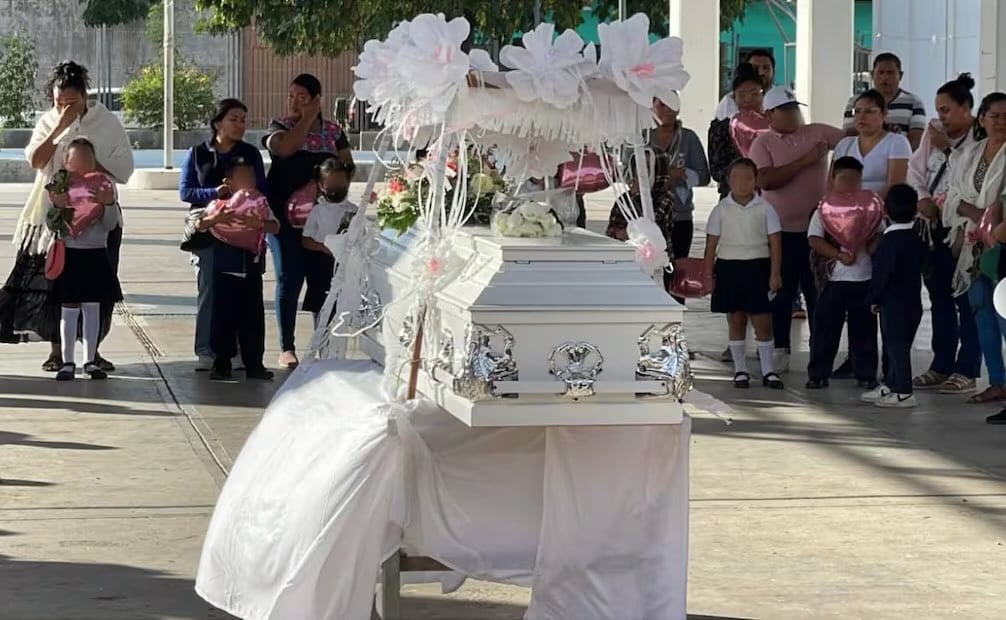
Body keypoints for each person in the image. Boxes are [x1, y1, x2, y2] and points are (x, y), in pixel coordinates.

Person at [0, 61, 133, 372]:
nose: (65, 107)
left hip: (99, 219)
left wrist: (89, 165)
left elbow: (125, 169)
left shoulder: (106, 122)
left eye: (71, 103)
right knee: (56, 287)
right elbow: (35, 160)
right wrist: (60, 126)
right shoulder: (49, 121)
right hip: (54, 221)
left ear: (85, 96)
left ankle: (92, 351)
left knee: (97, 289)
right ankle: (58, 350)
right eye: (59, 102)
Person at [749, 86, 845, 372]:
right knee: (781, 292)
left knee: (818, 292)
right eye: (787, 110)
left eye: (796, 108)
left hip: (818, 230)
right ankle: (781, 348)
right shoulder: (762, 143)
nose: (794, 114)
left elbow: (853, 141)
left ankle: (821, 352)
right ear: (770, 114)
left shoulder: (817, 132)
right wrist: (806, 160)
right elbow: (766, 180)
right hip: (780, 233)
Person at [263, 73, 355, 369]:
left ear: (317, 99)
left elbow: (347, 165)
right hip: (284, 220)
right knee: (290, 278)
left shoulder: (333, 131)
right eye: (291, 96)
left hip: (322, 220)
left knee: (323, 279)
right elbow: (286, 148)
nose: (294, 101)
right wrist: (305, 117)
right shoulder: (279, 126)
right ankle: (286, 347)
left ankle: (323, 342)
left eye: (302, 97)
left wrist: (330, 188)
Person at [179, 98, 266, 371]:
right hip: (208, 223)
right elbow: (186, 192)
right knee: (209, 288)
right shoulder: (197, 154)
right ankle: (207, 349)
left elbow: (261, 187)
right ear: (218, 123)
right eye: (234, 119)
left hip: (242, 226)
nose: (240, 125)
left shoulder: (250, 154)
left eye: (243, 120)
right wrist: (214, 194)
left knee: (242, 291)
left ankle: (238, 351)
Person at [907, 73, 980, 394]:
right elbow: (915, 169)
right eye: (938, 110)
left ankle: (967, 369)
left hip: (967, 230)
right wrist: (922, 198)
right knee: (939, 298)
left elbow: (969, 177)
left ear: (966, 108)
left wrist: (947, 149)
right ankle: (941, 364)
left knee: (967, 299)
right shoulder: (932, 133)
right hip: (933, 225)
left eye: (947, 110)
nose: (941, 117)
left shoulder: (982, 136)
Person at [941, 92, 1006, 404]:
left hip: (1002, 246)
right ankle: (997, 381)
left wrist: (991, 221)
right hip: (973, 247)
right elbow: (951, 197)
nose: (1001, 122)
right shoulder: (966, 154)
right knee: (981, 313)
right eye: (995, 115)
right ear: (981, 119)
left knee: (1005, 316)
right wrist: (977, 216)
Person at [193, 158, 279, 381]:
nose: (248, 182)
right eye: (242, 178)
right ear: (229, 182)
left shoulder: (260, 204)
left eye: (250, 178)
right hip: (224, 271)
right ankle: (221, 362)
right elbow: (199, 224)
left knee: (252, 320)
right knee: (222, 319)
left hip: (251, 271)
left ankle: (254, 364)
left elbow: (275, 225)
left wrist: (258, 225)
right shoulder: (219, 205)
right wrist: (216, 218)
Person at [47, 139, 124, 381]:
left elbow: (111, 224)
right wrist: (58, 208)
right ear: (66, 162)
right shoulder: (59, 185)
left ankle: (90, 360)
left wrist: (107, 203)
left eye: (87, 159)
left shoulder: (103, 184)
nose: (82, 164)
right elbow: (51, 224)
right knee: (69, 308)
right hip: (69, 254)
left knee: (93, 307)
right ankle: (67, 361)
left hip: (95, 253)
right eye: (76, 159)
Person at [703, 158, 783, 389]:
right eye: (736, 177)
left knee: (762, 320)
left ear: (755, 181)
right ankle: (740, 369)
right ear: (728, 181)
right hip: (729, 267)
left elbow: (775, 243)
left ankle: (768, 370)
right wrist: (708, 275)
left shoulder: (766, 209)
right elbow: (711, 246)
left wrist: (775, 273)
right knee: (736, 319)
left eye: (748, 177)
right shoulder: (720, 210)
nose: (742, 183)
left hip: (758, 267)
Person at [805, 157, 883, 390]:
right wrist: (838, 254)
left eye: (855, 180)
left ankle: (866, 373)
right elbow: (814, 239)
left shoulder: (870, 205)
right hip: (833, 280)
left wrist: (871, 245)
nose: (850, 184)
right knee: (826, 330)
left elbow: (880, 232)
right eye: (845, 179)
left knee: (865, 331)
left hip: (864, 279)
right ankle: (818, 373)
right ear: (833, 180)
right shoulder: (824, 207)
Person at [864, 184, 925, 408]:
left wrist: (873, 297)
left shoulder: (888, 242)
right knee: (898, 345)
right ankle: (891, 383)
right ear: (916, 210)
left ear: (885, 212)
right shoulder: (916, 238)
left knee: (896, 347)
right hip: (912, 303)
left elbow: (881, 275)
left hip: (892, 303)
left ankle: (904, 391)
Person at [648, 92, 710, 266]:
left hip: (680, 216)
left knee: (678, 271)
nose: (667, 109)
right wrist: (665, 173)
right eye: (661, 104)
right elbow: (628, 174)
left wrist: (683, 174)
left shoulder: (688, 138)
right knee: (649, 270)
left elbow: (704, 176)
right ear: (650, 107)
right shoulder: (641, 138)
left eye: (672, 104)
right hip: (646, 215)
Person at [301, 158, 356, 328]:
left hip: (346, 265)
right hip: (322, 266)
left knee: (342, 309)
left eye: (340, 183)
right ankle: (320, 345)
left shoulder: (353, 211)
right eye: (331, 184)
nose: (336, 188)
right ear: (321, 185)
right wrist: (324, 248)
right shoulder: (318, 211)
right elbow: (306, 240)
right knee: (322, 308)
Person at [843, 53, 927, 150]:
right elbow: (849, 135)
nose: (885, 78)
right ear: (872, 75)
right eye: (880, 72)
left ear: (900, 75)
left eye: (890, 73)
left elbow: (916, 140)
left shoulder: (914, 102)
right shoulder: (855, 101)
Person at [708, 63, 767, 197]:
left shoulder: (773, 124)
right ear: (734, 97)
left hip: (768, 195)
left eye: (754, 94)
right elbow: (716, 169)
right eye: (742, 95)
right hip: (732, 196)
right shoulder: (721, 126)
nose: (748, 100)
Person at [715, 49, 776, 121]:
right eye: (755, 68)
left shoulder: (780, 98)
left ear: (773, 72)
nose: (761, 72)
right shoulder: (729, 101)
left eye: (766, 68)